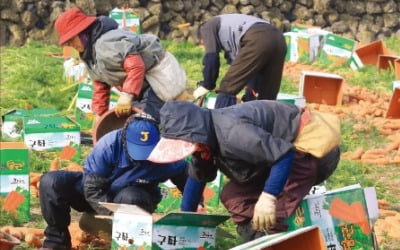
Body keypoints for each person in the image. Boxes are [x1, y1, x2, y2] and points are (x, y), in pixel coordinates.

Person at [147, 100, 341, 242]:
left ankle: (278, 240)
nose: (194, 152)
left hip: (307, 153)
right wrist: (185, 216)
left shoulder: (233, 133)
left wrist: (268, 197)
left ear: (196, 134)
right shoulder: (205, 141)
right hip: (275, 156)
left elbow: (284, 155)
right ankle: (255, 242)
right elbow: (198, 176)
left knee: (275, 212)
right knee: (234, 196)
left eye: (191, 146)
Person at [39, 113, 199, 249]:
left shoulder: (166, 153)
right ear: (124, 138)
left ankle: (130, 243)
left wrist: (197, 205)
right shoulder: (108, 146)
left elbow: (187, 177)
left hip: (133, 200)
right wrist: (109, 214)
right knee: (51, 182)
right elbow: (92, 189)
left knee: (131, 197)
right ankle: (56, 243)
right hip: (96, 195)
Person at [54, 7, 188, 122]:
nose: (71, 46)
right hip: (139, 83)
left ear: (83, 34)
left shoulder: (106, 43)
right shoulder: (89, 55)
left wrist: (126, 95)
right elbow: (101, 85)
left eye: (71, 41)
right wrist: (99, 115)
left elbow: (136, 66)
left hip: (157, 73)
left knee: (154, 120)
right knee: (133, 120)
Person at [192, 14, 287, 108]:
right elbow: (247, 70)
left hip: (258, 36)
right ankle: (263, 120)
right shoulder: (231, 30)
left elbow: (211, 58)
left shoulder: (207, 27)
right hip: (279, 38)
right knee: (266, 96)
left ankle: (221, 121)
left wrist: (207, 85)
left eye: (203, 43)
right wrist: (249, 95)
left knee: (228, 87)